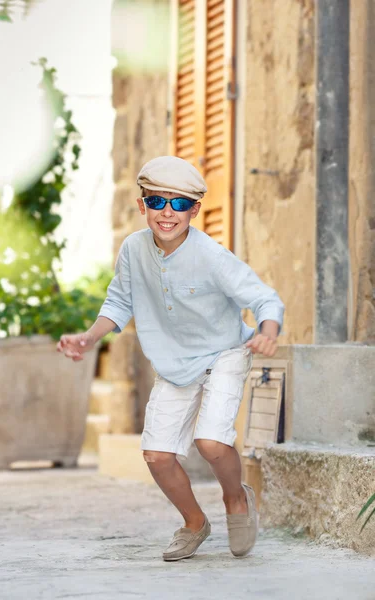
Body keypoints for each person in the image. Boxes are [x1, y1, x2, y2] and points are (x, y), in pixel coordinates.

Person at [57, 156, 285, 562]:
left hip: (225, 352)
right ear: (142, 204)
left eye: (179, 204)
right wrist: (89, 338)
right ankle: (195, 522)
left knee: (211, 441)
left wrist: (267, 332)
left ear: (194, 210)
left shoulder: (211, 256)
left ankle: (236, 500)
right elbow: (119, 301)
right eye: (157, 201)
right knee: (158, 455)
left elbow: (263, 297)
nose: (167, 212)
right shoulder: (132, 249)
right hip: (175, 363)